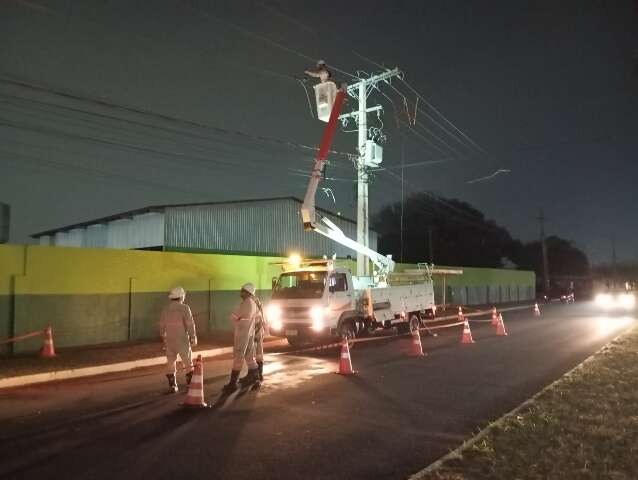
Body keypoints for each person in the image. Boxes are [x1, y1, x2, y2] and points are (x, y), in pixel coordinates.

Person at [222, 283, 261, 393]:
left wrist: (236, 318)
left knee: (238, 357)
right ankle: (255, 378)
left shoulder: (246, 303)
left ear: (247, 292)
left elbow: (234, 316)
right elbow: (258, 319)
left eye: (242, 290)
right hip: (249, 334)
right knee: (249, 357)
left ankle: (233, 384)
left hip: (242, 335)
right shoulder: (253, 303)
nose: (241, 292)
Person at [159, 286, 197, 393]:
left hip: (169, 340)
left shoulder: (165, 309)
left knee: (170, 361)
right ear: (181, 296)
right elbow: (190, 324)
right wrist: (193, 336)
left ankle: (172, 385)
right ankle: (190, 384)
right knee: (188, 361)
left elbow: (162, 326)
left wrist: (163, 337)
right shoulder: (185, 308)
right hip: (182, 339)